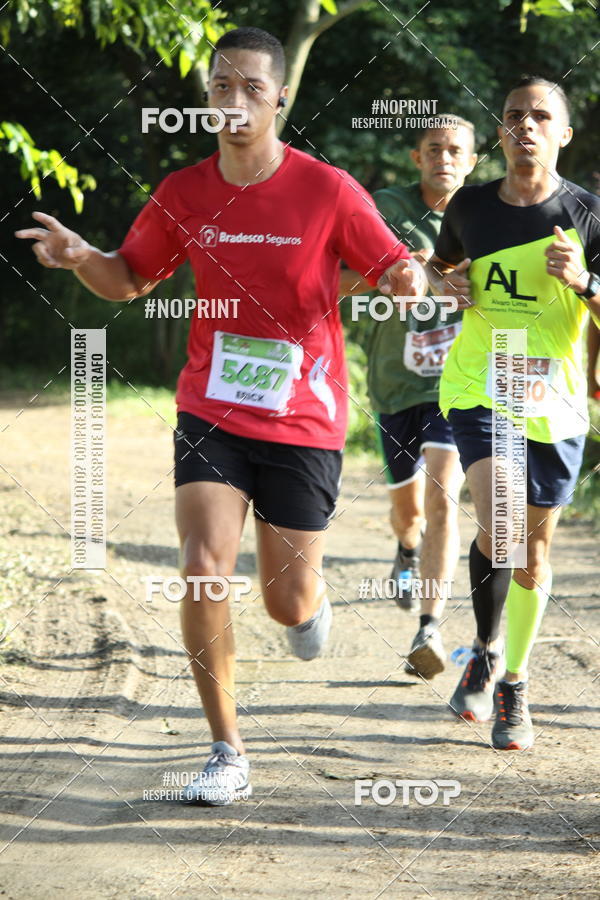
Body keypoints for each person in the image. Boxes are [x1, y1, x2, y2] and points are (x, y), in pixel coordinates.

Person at [16, 27, 425, 801]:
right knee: (202, 569)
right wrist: (81, 259)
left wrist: (404, 278)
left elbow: (391, 264)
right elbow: (128, 278)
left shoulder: (328, 189)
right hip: (212, 407)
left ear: (281, 99)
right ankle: (227, 752)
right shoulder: (184, 192)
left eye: (249, 89)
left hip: (303, 417)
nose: (232, 103)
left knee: (285, 598)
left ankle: (310, 605)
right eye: (219, 88)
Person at [426, 75, 600, 750]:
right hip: (480, 380)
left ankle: (508, 673)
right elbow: (439, 271)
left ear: (563, 133)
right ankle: (491, 657)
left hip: (553, 402)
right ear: (499, 131)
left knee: (532, 554)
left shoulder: (587, 214)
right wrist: (450, 282)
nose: (524, 125)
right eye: (512, 116)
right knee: (499, 521)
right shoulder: (469, 206)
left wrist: (582, 281)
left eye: (539, 116)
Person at [339, 117, 477, 680]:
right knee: (410, 512)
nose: (445, 158)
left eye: (456, 151)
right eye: (434, 149)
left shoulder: (491, 215)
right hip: (395, 383)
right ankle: (405, 548)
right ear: (417, 157)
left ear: (472, 162)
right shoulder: (385, 207)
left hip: (459, 382)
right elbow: (339, 276)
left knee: (444, 496)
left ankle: (429, 627)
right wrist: (401, 277)